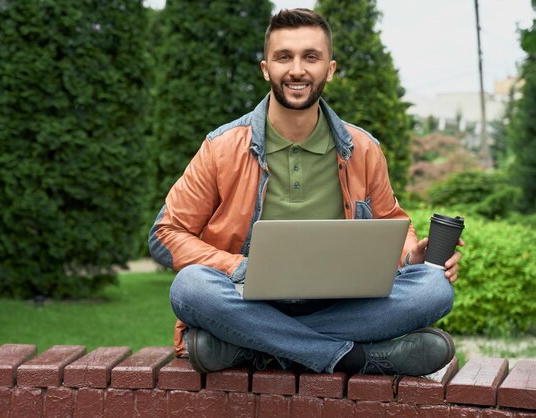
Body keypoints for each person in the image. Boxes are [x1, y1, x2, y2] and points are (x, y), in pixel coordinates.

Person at [148, 8, 464, 376]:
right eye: (284, 57)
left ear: (329, 69)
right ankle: (353, 357)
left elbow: (392, 221)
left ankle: (246, 345)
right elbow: (164, 235)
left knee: (434, 288)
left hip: (340, 303)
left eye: (310, 57)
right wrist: (237, 267)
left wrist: (412, 254)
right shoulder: (221, 147)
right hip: (248, 296)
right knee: (190, 288)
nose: (297, 69)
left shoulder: (363, 148)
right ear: (266, 69)